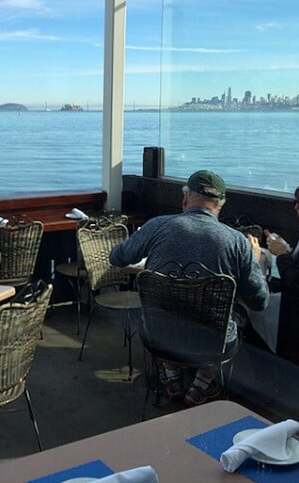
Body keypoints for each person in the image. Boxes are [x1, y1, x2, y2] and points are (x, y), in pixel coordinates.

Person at [110, 170, 269, 406]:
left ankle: (173, 376)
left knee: (164, 308)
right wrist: (255, 261)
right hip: (213, 345)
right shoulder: (237, 242)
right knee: (236, 316)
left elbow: (117, 258)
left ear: (185, 199)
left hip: (159, 339)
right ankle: (202, 383)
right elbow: (259, 301)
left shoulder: (156, 226)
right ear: (220, 206)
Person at [263, 179, 299, 356]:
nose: (296, 208)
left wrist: (282, 255)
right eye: (296, 203)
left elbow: (297, 283)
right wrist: (286, 250)